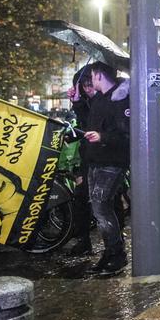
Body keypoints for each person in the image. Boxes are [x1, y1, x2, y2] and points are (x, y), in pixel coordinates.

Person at [82, 62, 131, 277]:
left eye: (92, 76)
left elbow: (126, 134)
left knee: (102, 207)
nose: (90, 81)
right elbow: (88, 122)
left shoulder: (119, 99)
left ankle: (117, 254)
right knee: (98, 208)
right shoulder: (98, 99)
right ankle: (110, 252)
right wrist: (76, 100)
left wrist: (102, 137)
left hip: (111, 163)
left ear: (99, 75)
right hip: (95, 161)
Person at [64, 65, 96, 256]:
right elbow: (85, 127)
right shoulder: (88, 101)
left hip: (103, 161)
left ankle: (115, 249)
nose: (87, 88)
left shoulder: (103, 101)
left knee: (106, 204)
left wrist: (77, 102)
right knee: (81, 199)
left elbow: (91, 125)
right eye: (83, 85)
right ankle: (84, 241)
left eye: (90, 84)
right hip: (89, 158)